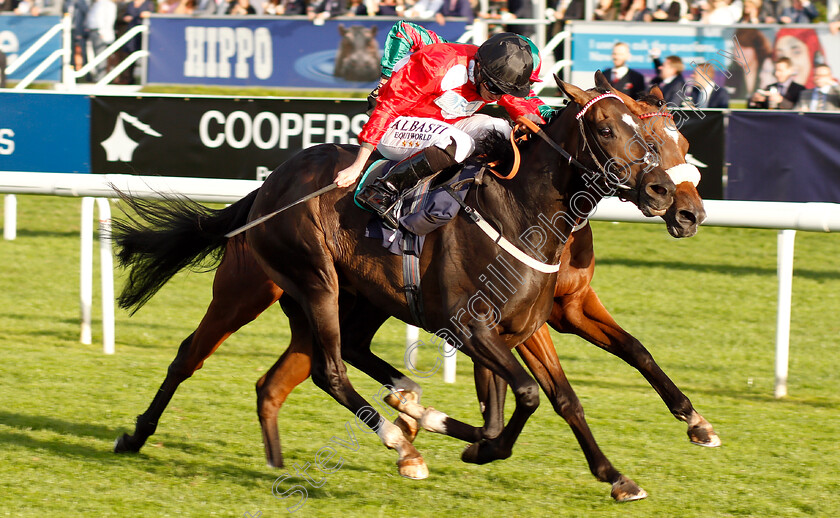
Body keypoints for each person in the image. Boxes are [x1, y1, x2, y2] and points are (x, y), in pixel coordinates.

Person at [336, 33, 543, 228]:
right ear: (479, 68)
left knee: (501, 130)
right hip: (396, 127)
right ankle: (384, 188)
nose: (498, 98)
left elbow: (523, 106)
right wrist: (357, 165)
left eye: (505, 91)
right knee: (460, 142)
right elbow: (387, 108)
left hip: (445, 127)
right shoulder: (436, 64)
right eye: (495, 89)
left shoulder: (494, 75)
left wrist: (533, 120)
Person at [85, 0, 117, 82]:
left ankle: (101, 78)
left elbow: (109, 20)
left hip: (101, 33)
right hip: (96, 32)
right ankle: (99, 77)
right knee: (98, 55)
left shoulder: (107, 4)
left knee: (101, 55)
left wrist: (102, 32)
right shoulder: (98, 4)